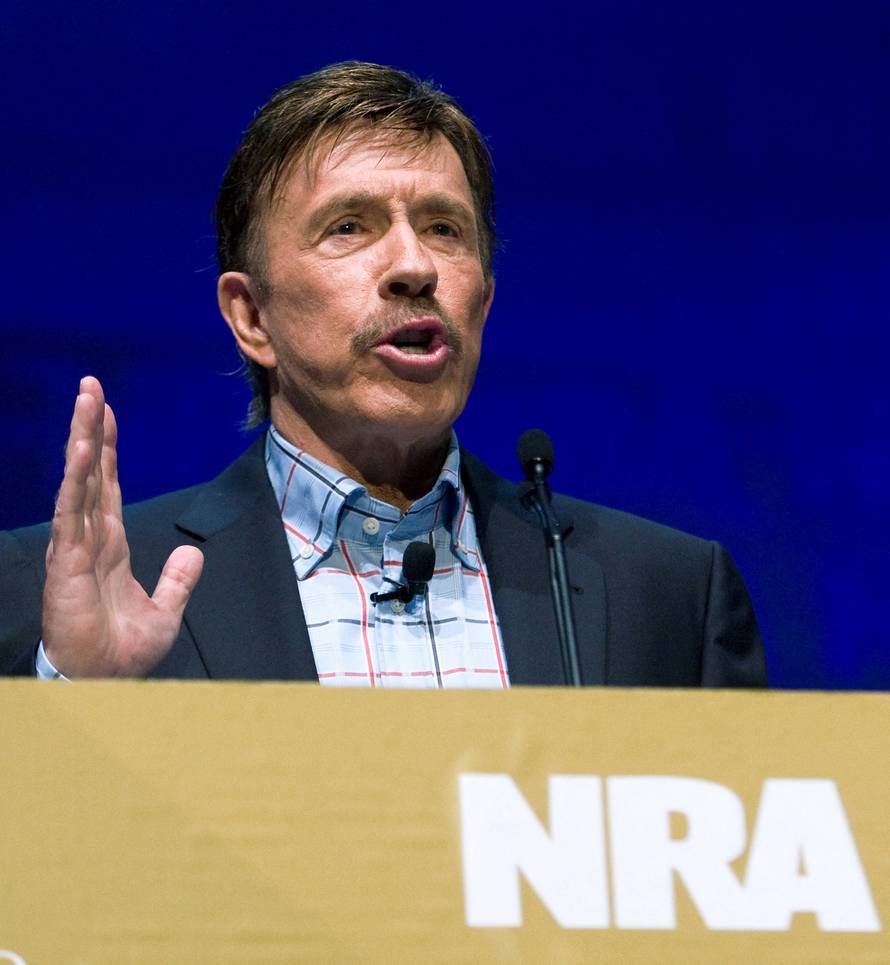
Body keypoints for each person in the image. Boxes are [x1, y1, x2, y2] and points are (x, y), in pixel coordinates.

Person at [0, 62, 767, 688]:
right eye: (349, 227)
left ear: (485, 304)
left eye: (443, 228)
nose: (414, 265)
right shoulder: (65, 593)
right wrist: (76, 698)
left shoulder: (666, 595)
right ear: (251, 317)